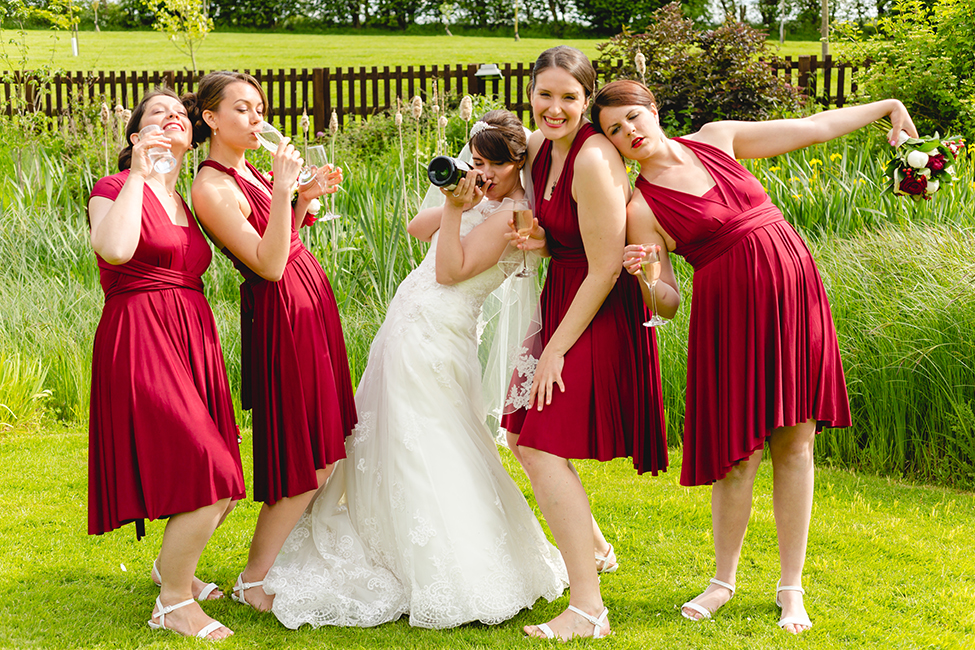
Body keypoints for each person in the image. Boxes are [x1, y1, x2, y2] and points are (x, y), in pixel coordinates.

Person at [591, 79, 918, 633]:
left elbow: (814, 129)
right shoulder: (641, 207)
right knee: (738, 455)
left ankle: (791, 588)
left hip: (795, 296)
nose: (630, 134)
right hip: (730, 320)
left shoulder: (718, 139)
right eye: (615, 132)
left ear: (653, 110)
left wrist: (887, 107)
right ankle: (723, 581)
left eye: (633, 118)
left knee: (796, 442)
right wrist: (644, 275)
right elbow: (666, 304)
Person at [264, 109, 568, 630]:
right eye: (476, 162)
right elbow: (416, 226)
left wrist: (458, 211)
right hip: (408, 325)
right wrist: (458, 193)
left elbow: (450, 272)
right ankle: (387, 543)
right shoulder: (484, 199)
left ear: (520, 165)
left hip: (437, 333)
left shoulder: (512, 213)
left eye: (494, 166)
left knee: (430, 437)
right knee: (391, 431)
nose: (485, 174)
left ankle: (450, 564)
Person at [501, 47, 670, 642]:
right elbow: (570, 242)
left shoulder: (595, 158)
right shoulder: (543, 147)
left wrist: (554, 350)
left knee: (543, 449)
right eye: (545, 94)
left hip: (597, 310)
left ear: (587, 100)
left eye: (569, 98)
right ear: (531, 94)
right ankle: (594, 547)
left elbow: (603, 268)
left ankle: (588, 608)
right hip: (564, 296)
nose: (555, 107)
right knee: (522, 436)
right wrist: (542, 246)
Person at [184, 71, 357, 613]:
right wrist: (285, 190)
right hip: (282, 314)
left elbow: (288, 234)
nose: (257, 120)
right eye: (243, 110)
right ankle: (254, 577)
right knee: (308, 457)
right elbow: (267, 263)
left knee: (329, 440)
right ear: (210, 118)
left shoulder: (253, 172)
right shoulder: (210, 187)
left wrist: (302, 197)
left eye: (259, 109)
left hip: (310, 302)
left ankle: (261, 568)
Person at [87, 88, 244, 640]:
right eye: (158, 113)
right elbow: (115, 249)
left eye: (180, 114)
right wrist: (137, 172)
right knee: (211, 471)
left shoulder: (189, 201)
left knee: (224, 470)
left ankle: (169, 569)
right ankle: (173, 602)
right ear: (134, 136)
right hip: (140, 335)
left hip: (192, 335)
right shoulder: (113, 188)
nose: (173, 117)